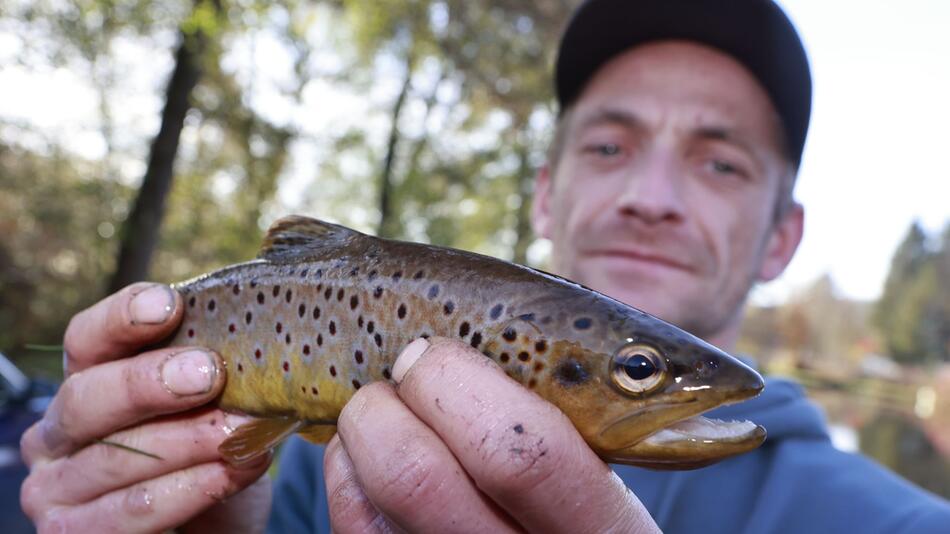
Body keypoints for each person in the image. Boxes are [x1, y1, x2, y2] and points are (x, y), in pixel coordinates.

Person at [19, 0, 950, 532]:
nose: (650, 195)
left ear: (783, 236)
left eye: (719, 160)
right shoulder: (289, 491)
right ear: (545, 195)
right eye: (610, 147)